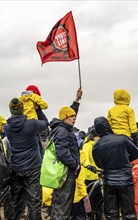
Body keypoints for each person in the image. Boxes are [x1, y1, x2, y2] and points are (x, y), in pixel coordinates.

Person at [5, 97, 49, 220]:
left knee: (15, 201)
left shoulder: (7, 128)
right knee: (34, 202)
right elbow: (45, 123)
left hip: (16, 168)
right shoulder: (32, 124)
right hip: (33, 168)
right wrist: (38, 109)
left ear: (10, 111)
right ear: (22, 109)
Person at [92, 116, 138, 219]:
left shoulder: (96, 145)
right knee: (129, 213)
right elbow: (136, 153)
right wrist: (126, 160)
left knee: (111, 214)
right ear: (108, 126)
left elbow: (99, 165)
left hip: (109, 181)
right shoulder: (122, 139)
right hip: (126, 181)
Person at [49, 88, 83, 220]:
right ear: (64, 118)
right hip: (66, 174)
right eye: (72, 117)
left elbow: (69, 113)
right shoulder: (62, 131)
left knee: (58, 205)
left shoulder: (62, 128)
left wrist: (76, 100)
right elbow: (62, 152)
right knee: (63, 208)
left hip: (64, 173)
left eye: (75, 116)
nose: (74, 119)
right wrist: (76, 165)